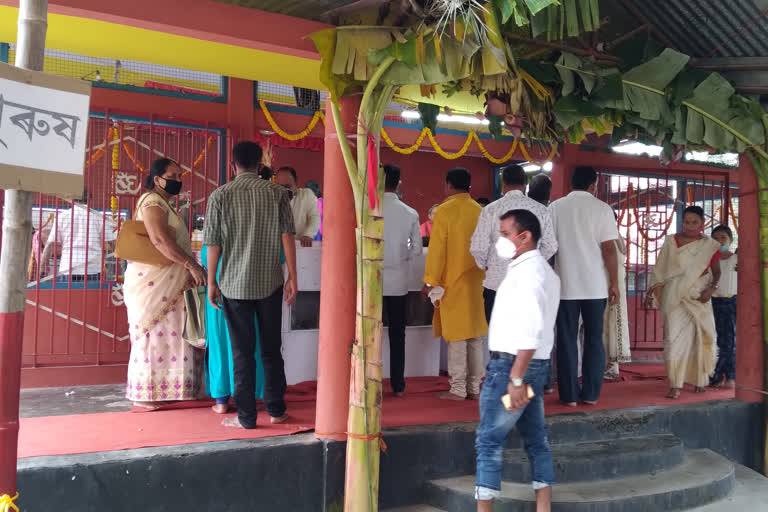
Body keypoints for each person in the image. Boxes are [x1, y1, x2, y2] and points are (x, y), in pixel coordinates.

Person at [204, 142, 298, 428]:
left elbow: (213, 243)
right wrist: (293, 275)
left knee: (241, 353)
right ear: (260, 165)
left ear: (233, 166)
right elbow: (287, 236)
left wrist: (211, 282)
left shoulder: (219, 196)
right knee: (271, 349)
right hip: (270, 282)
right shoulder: (277, 194)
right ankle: (276, 410)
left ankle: (246, 417)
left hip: (233, 285)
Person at [475, 209, 559, 512]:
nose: (501, 241)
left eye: (505, 234)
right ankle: (543, 506)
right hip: (531, 370)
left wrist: (515, 380)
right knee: (535, 438)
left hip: (511, 368)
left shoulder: (529, 273)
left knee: (489, 440)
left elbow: (531, 330)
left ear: (524, 237)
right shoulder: (543, 272)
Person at [123, 158, 207, 409]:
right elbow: (159, 240)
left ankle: (174, 389)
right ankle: (146, 393)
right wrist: (191, 265)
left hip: (171, 280)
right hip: (153, 282)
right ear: (157, 178)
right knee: (153, 333)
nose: (178, 180)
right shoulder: (152, 202)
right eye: (173, 175)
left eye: (180, 176)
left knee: (173, 332)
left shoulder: (166, 204)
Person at [549, 166, 619, 407]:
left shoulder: (555, 208)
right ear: (594, 183)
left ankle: (568, 396)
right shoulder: (602, 209)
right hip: (595, 287)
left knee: (566, 340)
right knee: (593, 340)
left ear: (571, 183)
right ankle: (590, 394)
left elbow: (547, 248)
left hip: (564, 286)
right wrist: (616, 283)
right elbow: (609, 249)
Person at [422, 168, 487, 400]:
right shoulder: (479, 210)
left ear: (448, 185)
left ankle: (458, 388)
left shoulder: (444, 211)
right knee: (475, 336)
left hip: (453, 280)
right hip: (478, 280)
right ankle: (474, 387)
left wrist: (430, 280)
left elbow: (437, 250)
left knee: (457, 336)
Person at [645, 206, 721, 399]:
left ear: (702, 223)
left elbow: (717, 271)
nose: (689, 226)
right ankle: (675, 384)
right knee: (673, 339)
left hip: (699, 295)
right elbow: (660, 270)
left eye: (694, 222)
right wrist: (652, 293)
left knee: (700, 336)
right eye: (686, 221)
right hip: (674, 296)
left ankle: (699, 380)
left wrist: (711, 289)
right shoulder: (671, 242)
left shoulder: (709, 245)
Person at [470, 163, 557, 324]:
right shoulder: (541, 210)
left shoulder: (490, 210)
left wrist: (486, 265)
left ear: (503, 185)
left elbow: (478, 247)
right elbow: (551, 246)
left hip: (497, 285)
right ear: (525, 185)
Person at [201, 244, 265, 414]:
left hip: (218, 291)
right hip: (250, 290)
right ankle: (250, 396)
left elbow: (207, 255)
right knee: (248, 344)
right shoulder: (261, 224)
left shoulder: (217, 225)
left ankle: (221, 401)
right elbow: (278, 257)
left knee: (219, 344)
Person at [382, 164, 423, 396]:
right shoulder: (410, 213)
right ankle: (398, 385)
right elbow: (416, 249)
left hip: (372, 281)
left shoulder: (368, 208)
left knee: (370, 336)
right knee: (398, 335)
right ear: (398, 183)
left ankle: (369, 382)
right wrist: (401, 256)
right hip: (398, 282)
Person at [41, 189, 117, 283]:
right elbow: (112, 242)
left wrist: (42, 267)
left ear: (73, 199)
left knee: (68, 297)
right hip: (92, 267)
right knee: (91, 297)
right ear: (90, 199)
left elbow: (50, 244)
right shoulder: (98, 217)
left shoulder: (62, 217)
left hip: (68, 267)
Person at [603, 214, 631, 380]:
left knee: (607, 322)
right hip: (616, 282)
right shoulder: (617, 234)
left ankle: (610, 365)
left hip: (610, 282)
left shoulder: (607, 237)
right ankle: (612, 365)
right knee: (612, 321)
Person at [709, 225, 737, 389]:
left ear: (730, 240)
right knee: (714, 341)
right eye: (715, 238)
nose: (719, 242)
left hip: (731, 303)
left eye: (723, 238)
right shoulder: (710, 262)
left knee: (729, 342)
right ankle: (716, 376)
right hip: (712, 303)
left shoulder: (737, 260)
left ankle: (730, 377)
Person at [276, 166, 320, 247]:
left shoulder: (306, 195)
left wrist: (308, 235)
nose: (283, 190)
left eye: (287, 187)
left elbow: (314, 217)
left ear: (296, 182)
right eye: (280, 186)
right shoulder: (272, 197)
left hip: (299, 246)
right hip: (278, 246)